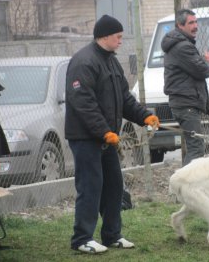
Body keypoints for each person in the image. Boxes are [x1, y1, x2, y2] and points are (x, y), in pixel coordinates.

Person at [65, 15, 160, 254]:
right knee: (91, 186)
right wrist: (104, 131)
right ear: (104, 36)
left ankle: (111, 235)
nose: (120, 40)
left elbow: (124, 98)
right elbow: (83, 103)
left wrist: (144, 116)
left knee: (114, 186)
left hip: (108, 138)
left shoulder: (111, 61)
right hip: (86, 138)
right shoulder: (83, 62)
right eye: (117, 36)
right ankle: (82, 238)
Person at [162, 9, 209, 166]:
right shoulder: (182, 47)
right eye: (191, 23)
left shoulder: (181, 44)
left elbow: (194, 66)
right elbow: (202, 70)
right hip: (186, 105)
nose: (196, 26)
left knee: (195, 146)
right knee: (196, 148)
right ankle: (187, 186)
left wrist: (202, 60)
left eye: (196, 22)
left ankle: (188, 185)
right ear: (180, 25)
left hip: (186, 104)